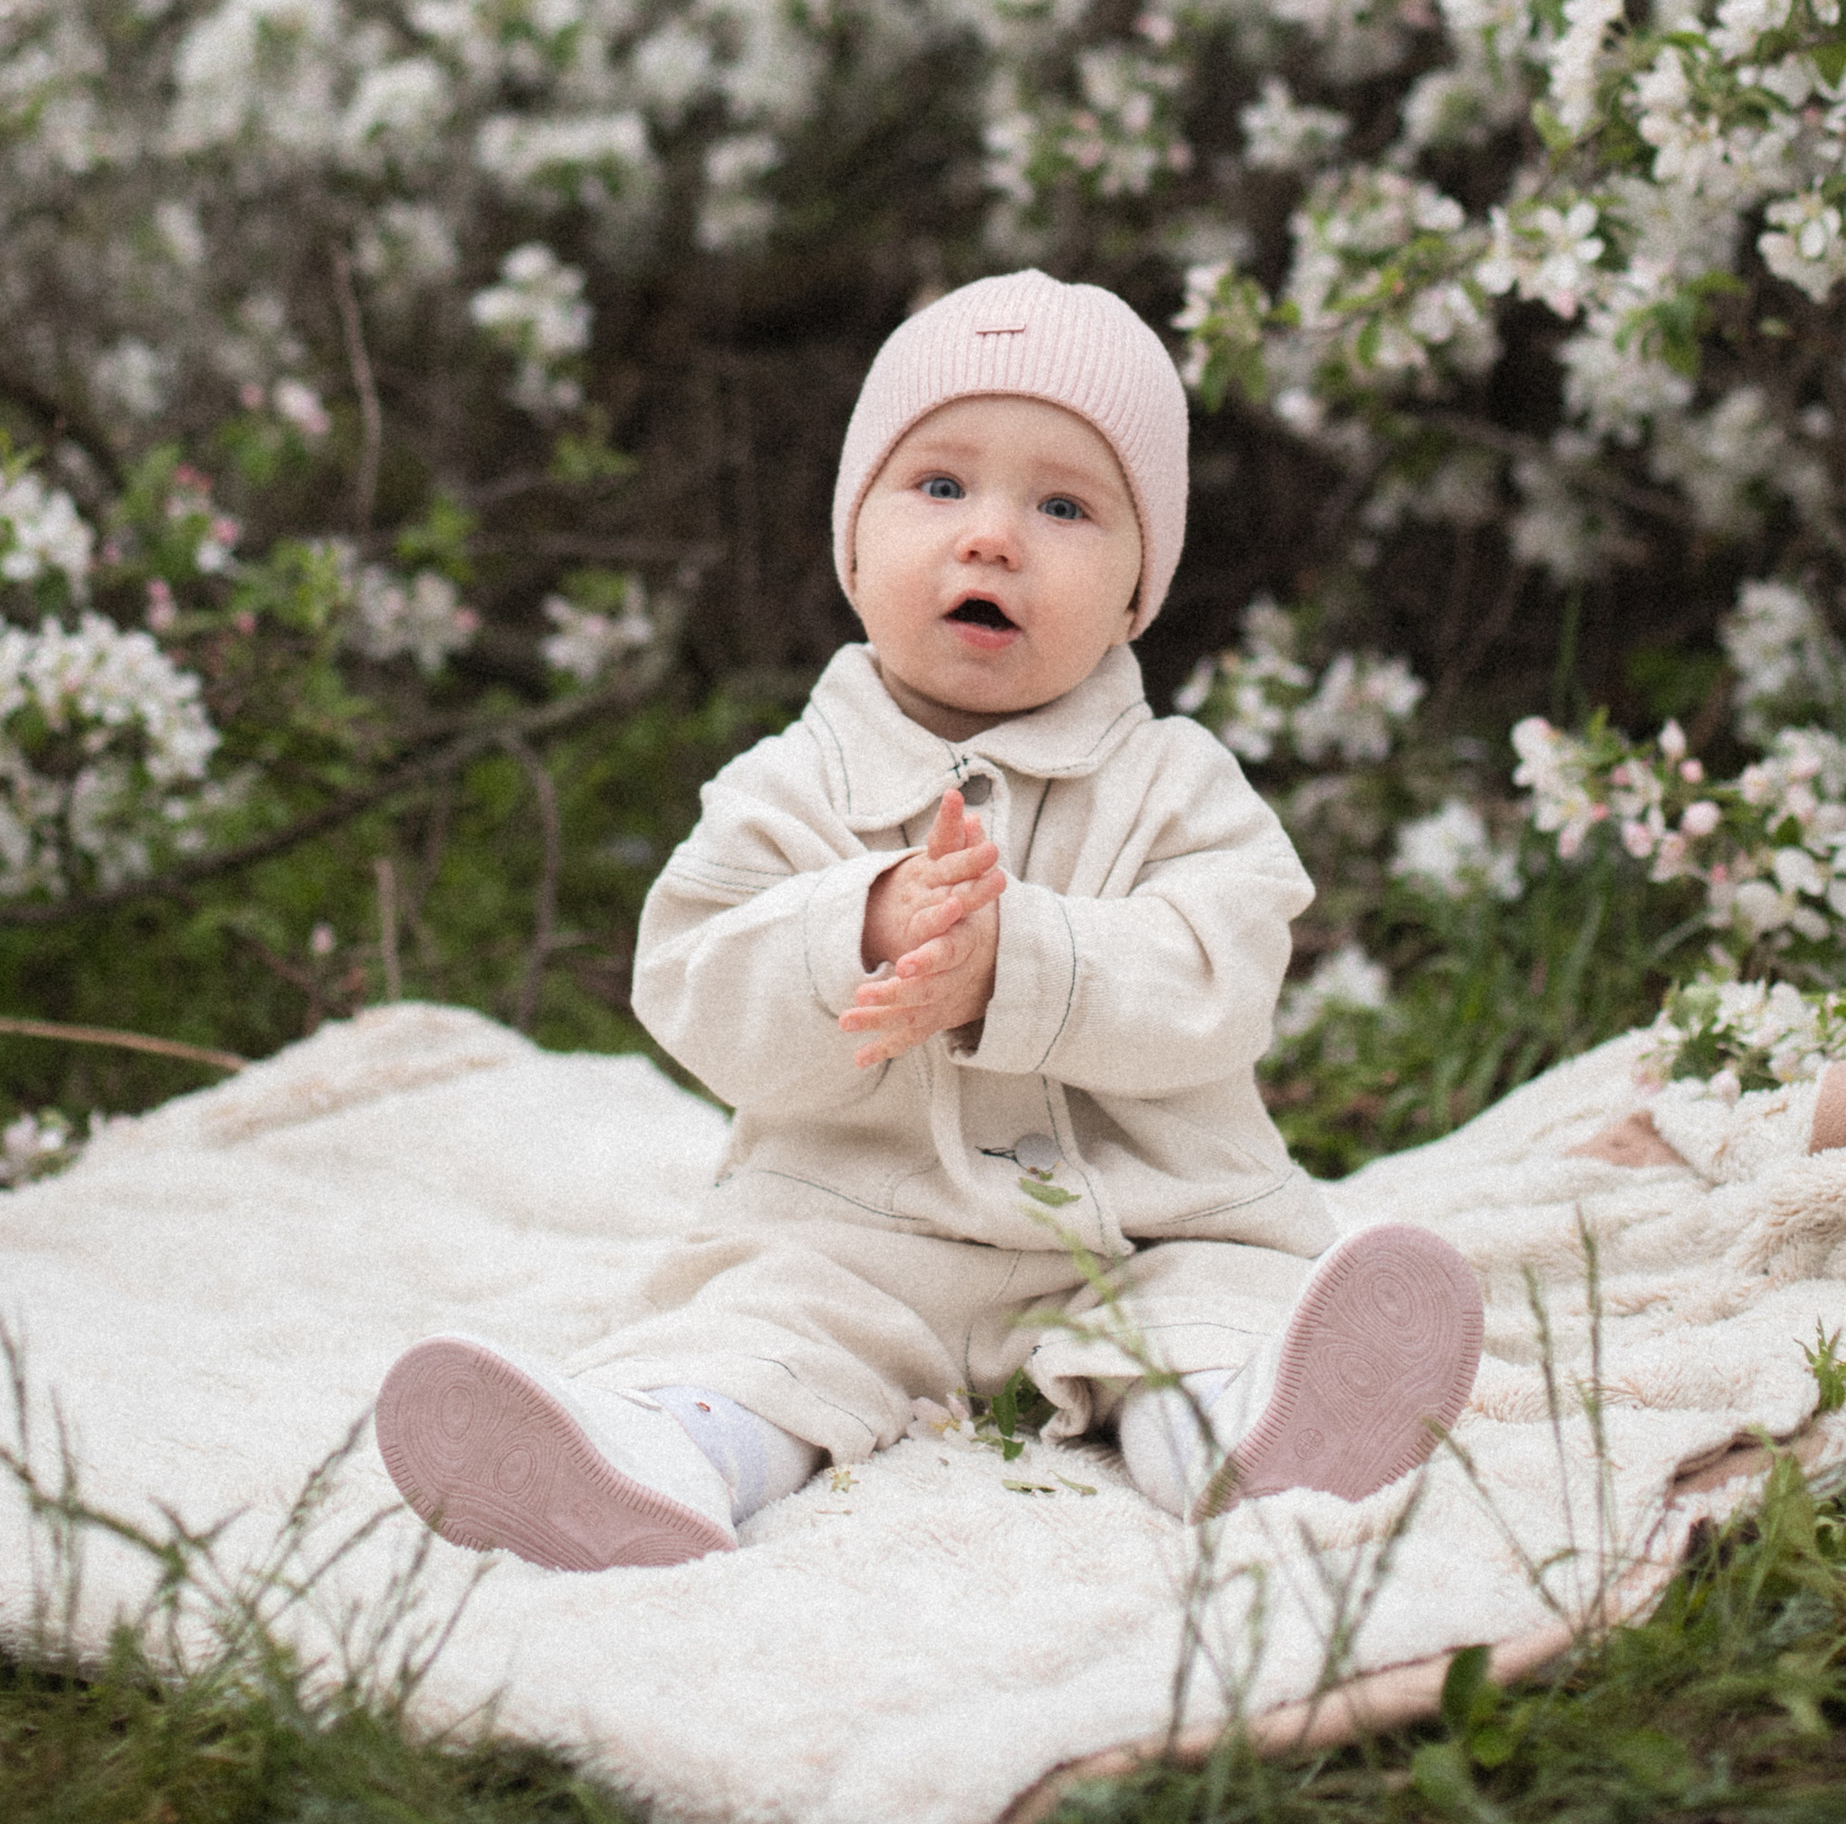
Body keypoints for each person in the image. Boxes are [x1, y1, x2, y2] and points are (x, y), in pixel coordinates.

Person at [372, 267, 1486, 1570]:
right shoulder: (789, 787)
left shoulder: (1179, 783)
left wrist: (1018, 961)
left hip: (1146, 1231)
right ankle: (659, 1458)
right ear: (854, 545)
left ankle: (1253, 1442)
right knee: (755, 1327)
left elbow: (1222, 972)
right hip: (858, 1232)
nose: (993, 537)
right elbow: (692, 982)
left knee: (1213, 1320)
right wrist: (861, 929)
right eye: (941, 485)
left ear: (1142, 588)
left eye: (1066, 504)